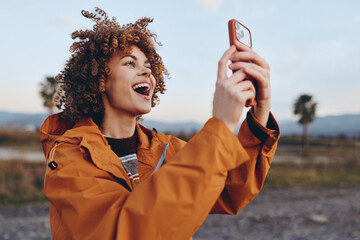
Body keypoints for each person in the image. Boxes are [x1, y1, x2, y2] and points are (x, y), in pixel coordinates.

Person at [40, 7, 279, 240]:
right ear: (100, 80)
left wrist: (261, 111)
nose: (146, 72)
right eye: (129, 63)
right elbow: (124, 230)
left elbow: (230, 187)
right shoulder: (68, 158)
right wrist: (221, 125)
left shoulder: (167, 148)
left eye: (148, 66)